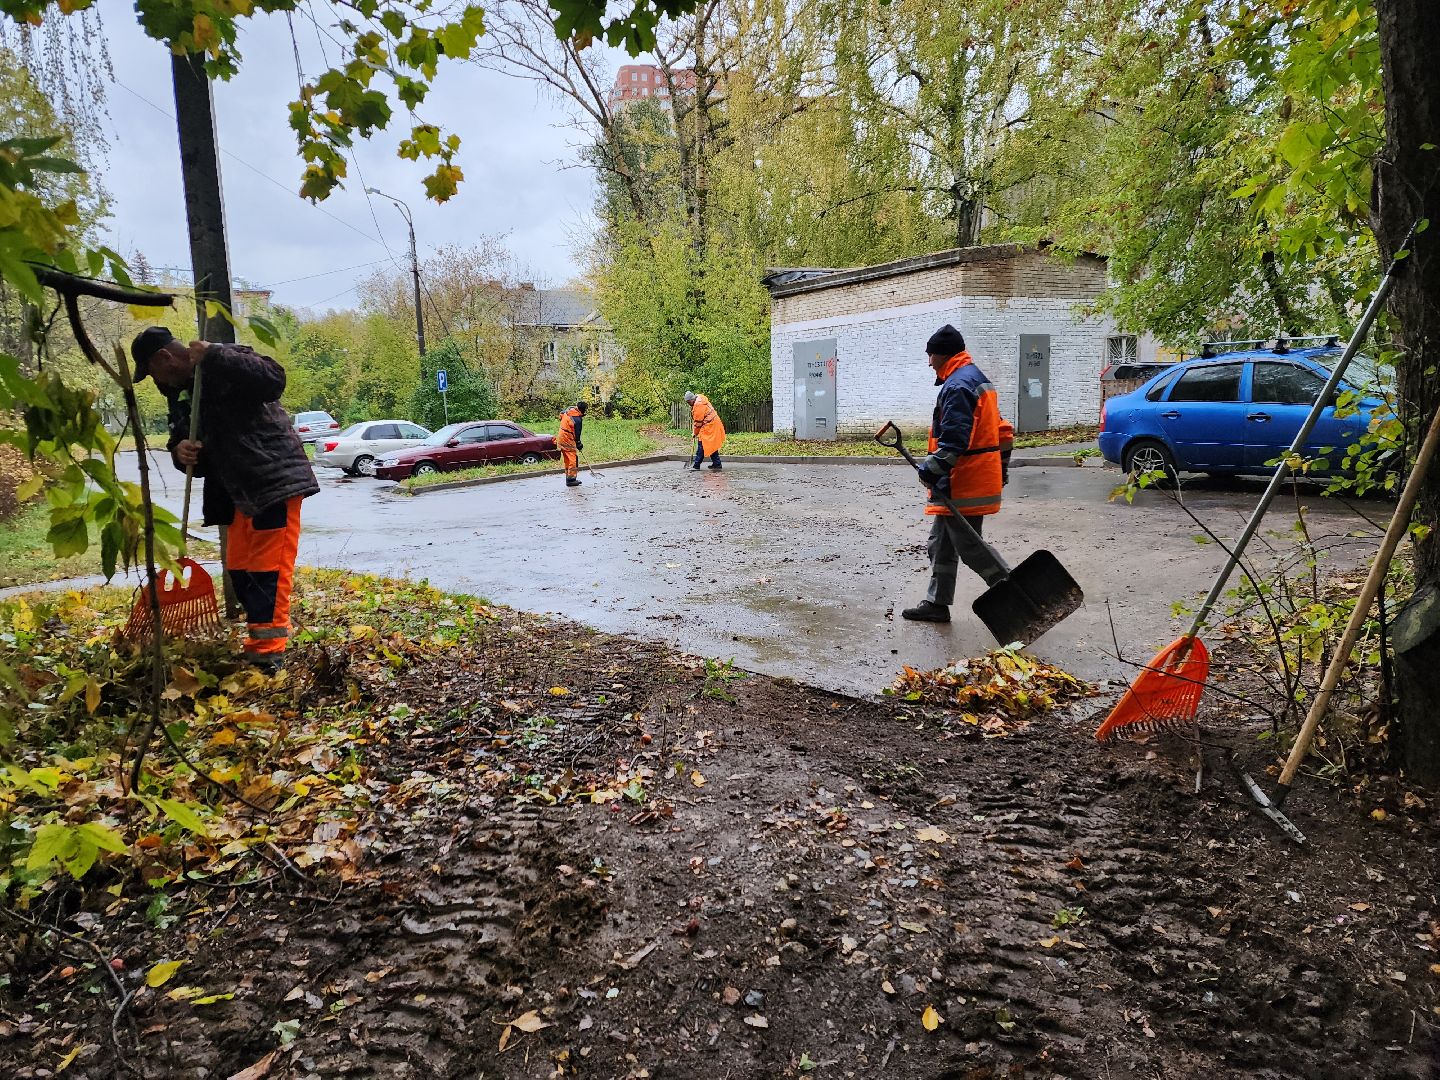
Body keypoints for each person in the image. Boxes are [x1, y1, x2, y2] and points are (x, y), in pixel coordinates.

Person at [131, 327, 319, 670]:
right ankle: (258, 640)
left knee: (268, 572)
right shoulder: (181, 392)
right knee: (241, 570)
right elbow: (182, 435)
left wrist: (217, 355)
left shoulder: (224, 358)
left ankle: (268, 655)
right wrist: (180, 451)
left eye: (151, 370)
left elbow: (273, 379)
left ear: (164, 358)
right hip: (233, 494)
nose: (155, 379)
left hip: (270, 481)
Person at [902, 324, 1012, 623]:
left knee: (970, 546)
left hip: (963, 481)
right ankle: (937, 603)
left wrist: (931, 469)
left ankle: (1014, 593)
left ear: (942, 355)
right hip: (970, 479)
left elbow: (954, 441)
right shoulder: (977, 380)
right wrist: (1000, 469)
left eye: (930, 356)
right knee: (941, 543)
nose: (929, 363)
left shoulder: (958, 386)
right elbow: (1004, 432)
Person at [685, 390, 726, 470]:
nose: (689, 404)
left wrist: (695, 433)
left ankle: (696, 465)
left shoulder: (698, 405)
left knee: (702, 445)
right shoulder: (699, 398)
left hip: (710, 426)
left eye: (688, 402)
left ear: (691, 400)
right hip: (712, 424)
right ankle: (717, 464)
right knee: (711, 445)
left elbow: (698, 423)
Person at [557, 400, 588, 487]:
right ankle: (571, 480)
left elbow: (561, 415)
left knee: (567, 459)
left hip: (561, 438)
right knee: (573, 459)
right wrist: (579, 444)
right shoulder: (577, 420)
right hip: (568, 440)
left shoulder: (569, 410)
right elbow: (577, 435)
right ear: (583, 410)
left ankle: (568, 477)